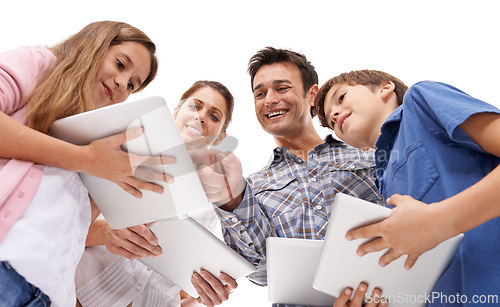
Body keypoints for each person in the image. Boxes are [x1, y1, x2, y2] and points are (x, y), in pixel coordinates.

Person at [195, 47, 384, 307]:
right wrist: (232, 198)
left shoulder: (369, 156)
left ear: (312, 95)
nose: (269, 100)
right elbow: (261, 274)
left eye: (281, 88)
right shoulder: (250, 189)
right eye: (260, 93)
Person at [0, 21, 166, 307]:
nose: (121, 83)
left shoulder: (102, 139)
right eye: (120, 64)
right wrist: (85, 159)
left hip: (47, 297)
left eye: (131, 85)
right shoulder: (40, 65)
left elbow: (70, 230)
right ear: (95, 44)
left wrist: (108, 232)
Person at [314, 69, 500, 306]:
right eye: (331, 121)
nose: (336, 114)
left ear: (385, 88)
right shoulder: (382, 185)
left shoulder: (420, 102)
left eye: (341, 98)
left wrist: (441, 220)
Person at [75, 80, 239, 307]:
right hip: (81, 295)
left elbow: (180, 288)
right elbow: (59, 230)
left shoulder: (211, 205)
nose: (201, 117)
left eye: (214, 116)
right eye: (195, 106)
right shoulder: (124, 155)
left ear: (220, 137)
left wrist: (202, 295)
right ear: (175, 112)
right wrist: (105, 232)